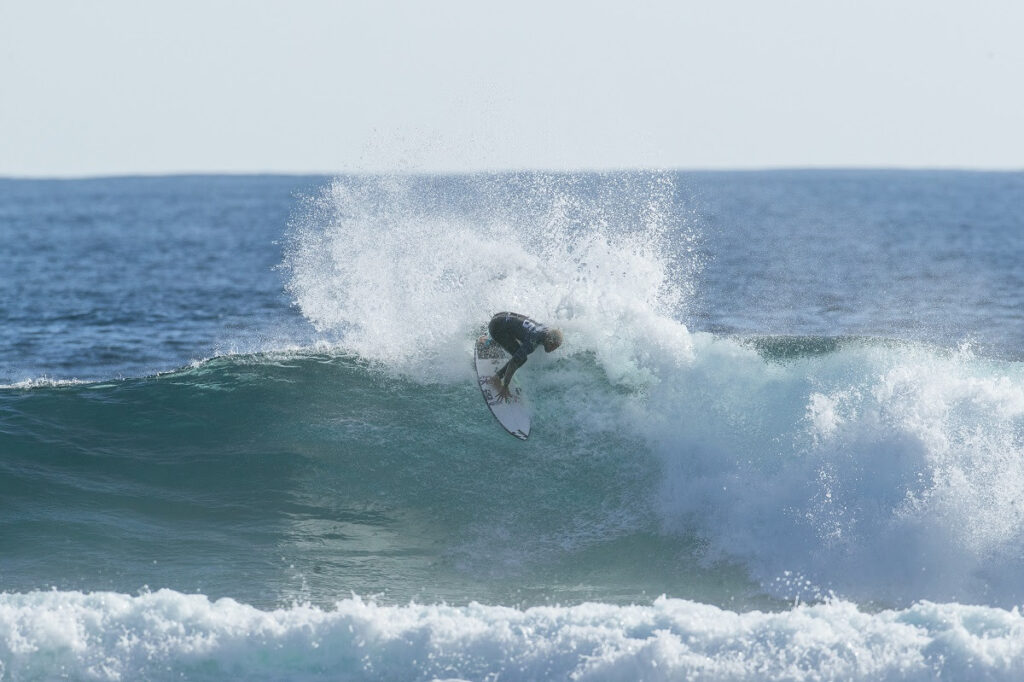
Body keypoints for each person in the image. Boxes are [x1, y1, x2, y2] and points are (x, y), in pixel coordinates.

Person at [487, 312, 563, 398]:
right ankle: (496, 378)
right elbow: (513, 362)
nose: (553, 350)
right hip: (496, 327)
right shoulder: (533, 341)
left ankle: (490, 342)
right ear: (549, 341)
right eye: (553, 347)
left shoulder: (546, 331)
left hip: (500, 317)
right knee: (521, 359)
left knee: (519, 345)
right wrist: (505, 385)